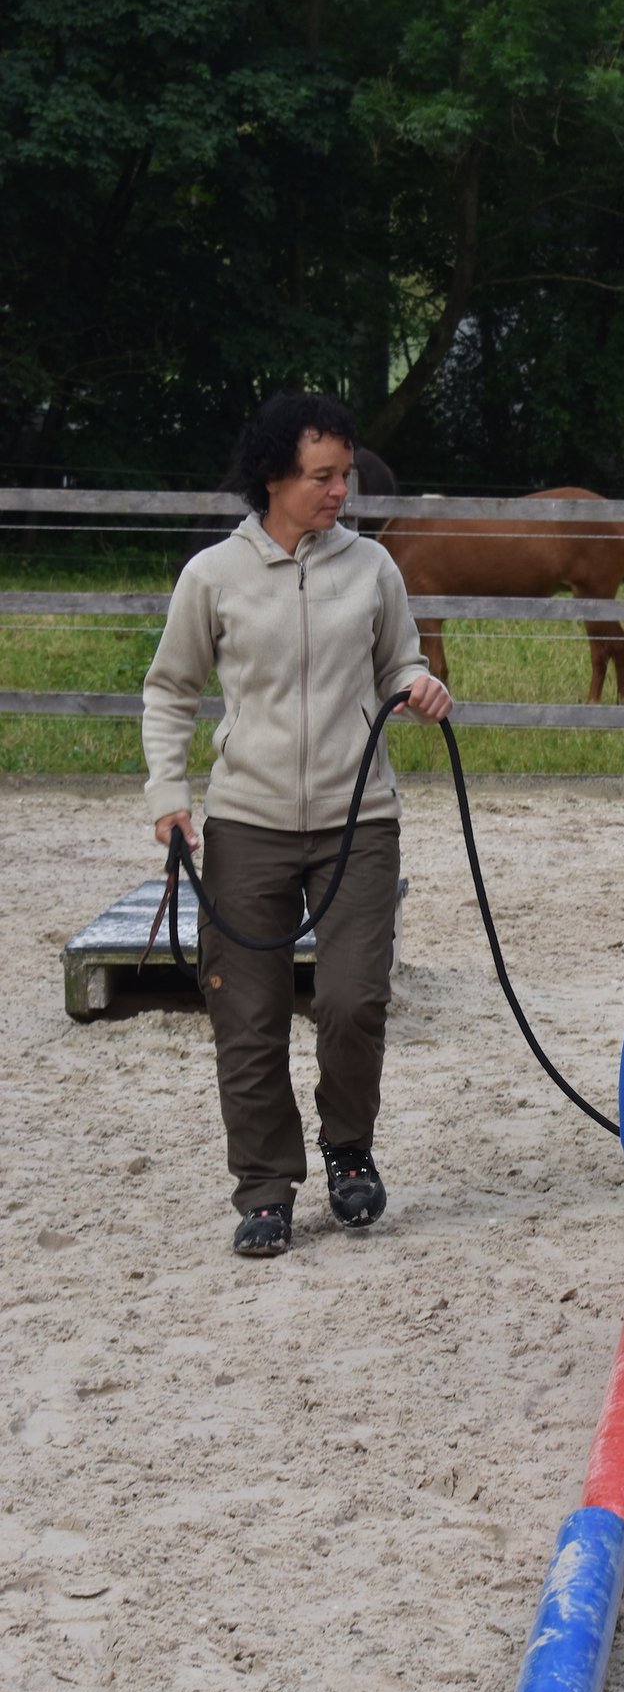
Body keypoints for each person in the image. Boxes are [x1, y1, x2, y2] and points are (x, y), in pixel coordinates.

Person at [142, 392, 452, 1257]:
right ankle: (266, 1188)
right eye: (322, 476)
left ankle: (349, 1149)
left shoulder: (373, 568)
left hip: (362, 819)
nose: (338, 492)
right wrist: (167, 793)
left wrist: (422, 687)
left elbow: (403, 660)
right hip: (246, 821)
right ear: (273, 477)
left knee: (354, 999)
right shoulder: (212, 576)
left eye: (344, 475)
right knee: (248, 1015)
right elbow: (170, 689)